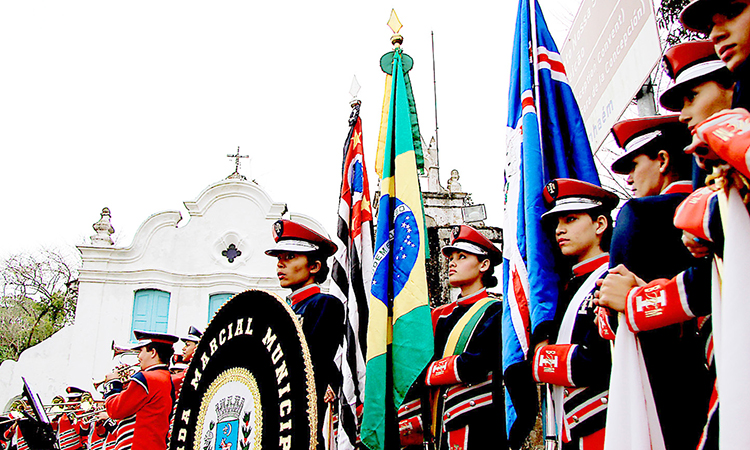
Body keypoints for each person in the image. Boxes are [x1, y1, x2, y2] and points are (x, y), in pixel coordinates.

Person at [598, 115, 712, 450]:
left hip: (666, 388)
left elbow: (616, 319)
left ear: (662, 160)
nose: (629, 179)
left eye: (633, 165)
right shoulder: (715, 205)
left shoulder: (639, 216)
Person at [531, 179, 618, 450]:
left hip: (603, 424)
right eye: (557, 223)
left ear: (600, 224)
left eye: (570, 219)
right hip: (568, 426)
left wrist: (540, 359)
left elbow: (598, 361)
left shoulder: (611, 279)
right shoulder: (567, 286)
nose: (559, 230)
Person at [414, 225, 506, 450]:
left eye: (462, 257)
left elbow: (477, 363)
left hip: (479, 424)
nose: (452, 263)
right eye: (451, 257)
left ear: (484, 265)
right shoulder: (441, 315)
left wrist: (428, 372)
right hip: (440, 424)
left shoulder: (496, 310)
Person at [265, 219, 344, 450]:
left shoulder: (324, 305)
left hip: (300, 419)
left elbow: (311, 364)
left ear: (315, 266)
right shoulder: (286, 310)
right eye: (279, 258)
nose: (280, 265)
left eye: (290, 257)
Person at [104, 330, 177, 450]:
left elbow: (115, 410)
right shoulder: (166, 378)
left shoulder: (145, 378)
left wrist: (112, 384)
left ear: (153, 352)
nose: (138, 357)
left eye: (141, 351)